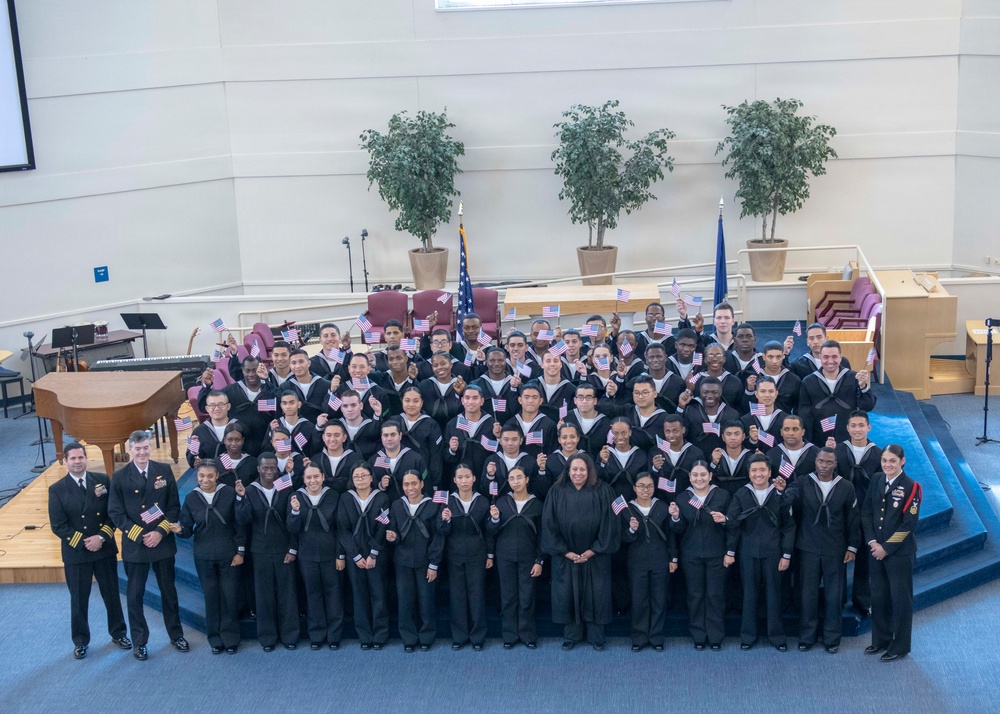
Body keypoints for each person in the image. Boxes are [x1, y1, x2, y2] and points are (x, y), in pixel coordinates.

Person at [108, 430, 187, 661]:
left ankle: (176, 635)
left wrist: (160, 532)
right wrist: (141, 534)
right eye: (137, 449)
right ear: (129, 449)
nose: (142, 453)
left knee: (169, 593)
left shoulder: (163, 471)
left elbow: (173, 506)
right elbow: (115, 512)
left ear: (150, 448)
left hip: (162, 542)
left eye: (146, 448)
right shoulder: (120, 477)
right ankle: (140, 642)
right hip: (136, 544)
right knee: (135, 596)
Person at [48, 442, 130, 659]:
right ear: (66, 461)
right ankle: (81, 640)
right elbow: (58, 525)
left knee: (111, 594)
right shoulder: (56, 489)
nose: (77, 462)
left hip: (103, 548)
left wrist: (101, 537)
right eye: (73, 458)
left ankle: (119, 633)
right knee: (79, 599)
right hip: (77, 553)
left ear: (86, 458)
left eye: (80, 457)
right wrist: (85, 541)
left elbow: (113, 513)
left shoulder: (102, 481)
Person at [776, 447, 860, 653]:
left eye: (828, 462)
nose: (824, 466)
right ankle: (807, 636)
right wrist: (781, 491)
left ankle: (832, 639)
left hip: (835, 548)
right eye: (821, 461)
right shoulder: (803, 481)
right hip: (808, 547)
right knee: (807, 594)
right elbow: (788, 500)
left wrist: (852, 546)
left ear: (835, 464)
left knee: (833, 596)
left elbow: (853, 519)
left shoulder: (846, 487)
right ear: (815, 462)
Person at [542, 453, 620, 651]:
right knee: (568, 593)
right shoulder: (556, 491)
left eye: (582, 469)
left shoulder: (603, 490)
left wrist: (593, 550)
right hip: (566, 556)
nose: (578, 473)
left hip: (595, 555)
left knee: (596, 594)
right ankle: (572, 635)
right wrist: (565, 551)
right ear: (568, 471)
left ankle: (596, 636)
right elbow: (549, 524)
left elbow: (610, 523)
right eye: (574, 469)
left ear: (590, 470)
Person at [726, 454, 795, 651]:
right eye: (754, 470)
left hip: (773, 553)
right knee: (749, 594)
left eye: (762, 470)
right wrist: (730, 551)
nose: (758, 474)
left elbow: (789, 527)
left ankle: (777, 637)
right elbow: (734, 525)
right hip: (748, 553)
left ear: (770, 472)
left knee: (774, 595)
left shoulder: (780, 494)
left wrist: (786, 555)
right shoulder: (741, 494)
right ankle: (748, 636)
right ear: (749, 473)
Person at [174, 460, 245, 654]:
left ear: (217, 476)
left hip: (228, 554)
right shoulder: (191, 498)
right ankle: (215, 639)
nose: (205, 480)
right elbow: (187, 529)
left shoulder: (229, 493)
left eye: (210, 476)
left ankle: (231, 638)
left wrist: (240, 551)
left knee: (230, 597)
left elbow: (240, 524)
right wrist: (180, 530)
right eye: (201, 476)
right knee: (211, 597)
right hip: (203, 555)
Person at [861, 445, 921, 662]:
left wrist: (886, 547)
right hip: (875, 550)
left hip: (899, 553)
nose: (887, 465)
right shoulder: (877, 479)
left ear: (902, 461)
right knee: (878, 597)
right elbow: (867, 512)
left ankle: (900, 645)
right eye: (885, 460)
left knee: (900, 600)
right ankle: (880, 640)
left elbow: (909, 525)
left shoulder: (912, 487)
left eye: (892, 461)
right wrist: (872, 542)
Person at [234, 453, 299, 651]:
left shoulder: (285, 488)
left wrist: (293, 548)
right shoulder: (250, 490)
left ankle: (290, 636)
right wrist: (240, 497)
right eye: (265, 468)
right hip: (260, 551)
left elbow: (293, 522)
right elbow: (243, 519)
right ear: (258, 469)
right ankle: (268, 638)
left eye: (273, 468)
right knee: (264, 596)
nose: (269, 472)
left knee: (287, 595)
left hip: (284, 549)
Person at [669, 461, 731, 650]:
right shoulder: (682, 498)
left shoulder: (722, 495)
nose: (699, 479)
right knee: (695, 595)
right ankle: (698, 634)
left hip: (717, 553)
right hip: (691, 554)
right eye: (695, 475)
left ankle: (715, 636)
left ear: (710, 476)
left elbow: (733, 525)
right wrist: (676, 517)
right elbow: (677, 530)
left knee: (715, 595)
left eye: (703, 475)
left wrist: (725, 520)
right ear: (689, 478)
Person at [386, 470, 446, 652]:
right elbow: (394, 530)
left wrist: (433, 564)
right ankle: (409, 638)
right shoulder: (397, 505)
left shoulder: (434, 506)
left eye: (414, 483)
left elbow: (438, 537)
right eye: (406, 484)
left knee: (426, 600)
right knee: (405, 600)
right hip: (402, 561)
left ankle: (426, 637)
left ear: (421, 484)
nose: (410, 488)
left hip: (425, 562)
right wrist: (392, 536)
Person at [287, 464, 345, 650]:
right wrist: (295, 511)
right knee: (313, 595)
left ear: (323, 477)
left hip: (330, 554)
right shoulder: (296, 497)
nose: (313, 481)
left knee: (333, 594)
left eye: (316, 477)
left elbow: (340, 528)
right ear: (303, 479)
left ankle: (334, 635)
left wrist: (340, 554)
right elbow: (292, 529)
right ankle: (317, 635)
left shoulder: (334, 496)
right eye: (309, 478)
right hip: (307, 554)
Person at [487, 467, 544, 649]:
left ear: (527, 479)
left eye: (519, 477)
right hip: (505, 557)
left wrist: (539, 560)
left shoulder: (537, 504)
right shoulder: (502, 503)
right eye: (512, 478)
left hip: (528, 557)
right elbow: (491, 531)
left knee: (527, 597)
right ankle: (510, 635)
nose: (516, 481)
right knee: (508, 597)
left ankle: (527, 634)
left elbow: (543, 535)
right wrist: (494, 519)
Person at [336, 464, 391, 650]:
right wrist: (356, 555)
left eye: (363, 475)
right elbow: (343, 529)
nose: (360, 479)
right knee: (359, 595)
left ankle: (380, 634)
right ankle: (365, 636)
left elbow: (383, 526)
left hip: (377, 554)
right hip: (355, 555)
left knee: (378, 594)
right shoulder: (345, 499)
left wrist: (373, 553)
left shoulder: (382, 498)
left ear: (371, 478)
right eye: (356, 476)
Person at [440, 463, 494, 650]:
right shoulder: (448, 502)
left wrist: (489, 554)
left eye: (467, 476)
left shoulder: (483, 501)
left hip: (477, 554)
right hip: (454, 554)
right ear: (454, 480)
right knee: (457, 596)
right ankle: (459, 636)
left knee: (477, 595)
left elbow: (489, 531)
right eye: (460, 477)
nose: (464, 481)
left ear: (474, 478)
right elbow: (442, 531)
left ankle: (478, 637)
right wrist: (444, 521)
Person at [620, 473, 675, 651]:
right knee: (639, 600)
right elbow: (622, 539)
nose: (646, 489)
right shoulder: (627, 509)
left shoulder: (662, 507)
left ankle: (656, 637)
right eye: (641, 486)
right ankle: (639, 637)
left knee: (659, 600)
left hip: (660, 560)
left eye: (650, 486)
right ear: (635, 488)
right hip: (637, 562)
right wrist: (631, 529)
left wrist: (673, 557)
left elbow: (671, 535)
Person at [836, 410, 883, 614]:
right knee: (837, 555)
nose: (857, 429)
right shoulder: (837, 452)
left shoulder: (880, 454)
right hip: (841, 512)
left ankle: (862, 600)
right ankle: (836, 598)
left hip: (866, 512)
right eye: (853, 426)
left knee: (864, 557)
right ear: (847, 428)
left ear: (869, 427)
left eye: (861, 425)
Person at [798, 340, 876, 444]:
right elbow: (805, 414)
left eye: (834, 357)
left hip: (847, 437)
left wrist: (862, 386)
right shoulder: (808, 382)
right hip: (819, 437)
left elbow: (868, 407)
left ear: (840, 357)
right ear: (820, 357)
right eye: (826, 357)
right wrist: (807, 441)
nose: (830, 361)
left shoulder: (854, 378)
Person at [198, 356, 276, 457]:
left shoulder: (269, 389)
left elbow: (280, 405)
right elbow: (204, 406)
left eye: (254, 370)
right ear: (242, 370)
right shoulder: (231, 391)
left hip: (267, 443)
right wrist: (206, 386)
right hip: (242, 447)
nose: (251, 374)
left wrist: (267, 381)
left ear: (261, 368)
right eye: (247, 371)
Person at [396, 384, 444, 479]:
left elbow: (436, 456)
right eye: (407, 400)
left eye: (416, 401)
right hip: (399, 472)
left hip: (423, 474)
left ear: (422, 403)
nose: (411, 404)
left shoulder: (431, 424)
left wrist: (434, 480)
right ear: (402, 401)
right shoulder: (395, 421)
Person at [373, 419, 429, 499]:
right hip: (383, 506)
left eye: (393, 435)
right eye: (385, 435)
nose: (389, 439)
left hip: (409, 506)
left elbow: (426, 485)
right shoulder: (374, 460)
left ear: (400, 436)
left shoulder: (415, 459)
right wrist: (380, 485)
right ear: (381, 437)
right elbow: (369, 487)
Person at [563, 383, 613, 458]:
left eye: (589, 397)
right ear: (575, 400)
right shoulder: (567, 418)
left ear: (595, 401)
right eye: (580, 397)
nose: (584, 401)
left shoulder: (605, 423)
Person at [186, 390, 233, 468]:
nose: (216, 408)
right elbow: (192, 462)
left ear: (228, 406)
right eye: (212, 405)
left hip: (236, 474)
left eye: (221, 404)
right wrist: (193, 452)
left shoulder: (239, 428)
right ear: (207, 408)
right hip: (209, 476)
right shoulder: (199, 432)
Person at [315, 420, 363, 493]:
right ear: (323, 437)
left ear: (344, 437)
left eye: (336, 435)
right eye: (328, 435)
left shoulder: (355, 459)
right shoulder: (316, 460)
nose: (332, 439)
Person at [288, 348, 333, 422]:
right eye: (293, 363)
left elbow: (332, 411)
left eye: (301, 361)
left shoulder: (326, 385)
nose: (297, 366)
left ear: (309, 363)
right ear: (290, 366)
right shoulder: (285, 387)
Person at [710, 421, 752, 495]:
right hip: (721, 497)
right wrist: (714, 463)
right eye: (728, 434)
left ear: (743, 436)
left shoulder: (750, 457)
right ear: (723, 437)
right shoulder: (716, 456)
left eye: (737, 434)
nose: (733, 438)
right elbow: (710, 479)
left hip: (745, 495)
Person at [217, 423, 257, 488]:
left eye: (237, 440)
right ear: (224, 440)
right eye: (230, 440)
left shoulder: (252, 462)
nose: (233, 443)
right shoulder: (217, 463)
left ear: (243, 440)